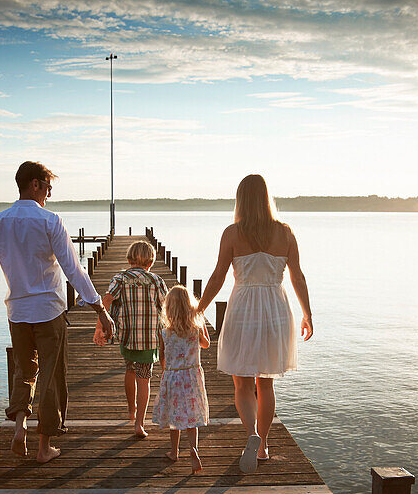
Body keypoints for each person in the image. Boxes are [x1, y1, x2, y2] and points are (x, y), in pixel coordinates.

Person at [0, 161, 115, 463]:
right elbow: (73, 269)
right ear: (35, 184)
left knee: (25, 371)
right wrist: (99, 309)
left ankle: (20, 425)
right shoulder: (50, 221)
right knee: (51, 377)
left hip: (18, 312)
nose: (49, 194)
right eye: (48, 187)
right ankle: (43, 448)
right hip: (49, 311)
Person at [196, 174, 313, 473]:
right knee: (267, 382)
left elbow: (218, 276)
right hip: (276, 308)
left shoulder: (232, 233)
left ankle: (251, 434)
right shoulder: (285, 233)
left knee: (243, 383)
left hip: (243, 309)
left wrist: (199, 310)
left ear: (240, 200)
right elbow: (297, 276)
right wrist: (307, 314)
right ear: (266, 198)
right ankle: (263, 447)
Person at [95, 241, 168, 438]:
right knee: (144, 378)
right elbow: (167, 308)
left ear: (128, 260)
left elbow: (107, 299)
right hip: (149, 338)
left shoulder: (119, 278)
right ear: (151, 262)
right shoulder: (156, 280)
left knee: (129, 369)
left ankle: (131, 409)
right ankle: (139, 423)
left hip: (127, 336)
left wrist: (99, 327)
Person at [153, 285, 211, 473]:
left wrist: (166, 373)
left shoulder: (165, 331)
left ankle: (174, 451)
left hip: (173, 376)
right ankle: (193, 449)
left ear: (168, 308)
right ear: (190, 306)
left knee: (174, 417)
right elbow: (206, 344)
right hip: (192, 377)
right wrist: (201, 322)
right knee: (192, 418)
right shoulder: (195, 329)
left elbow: (162, 356)